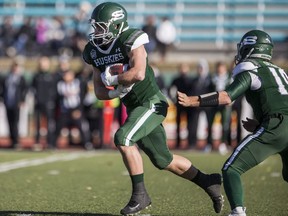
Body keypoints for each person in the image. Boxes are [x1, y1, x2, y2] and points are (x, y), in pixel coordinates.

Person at [82, 2, 223, 216]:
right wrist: (115, 92)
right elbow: (99, 91)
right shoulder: (93, 51)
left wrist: (116, 78)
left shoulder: (131, 38)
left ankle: (140, 195)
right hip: (135, 107)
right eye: (96, 27)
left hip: (152, 103)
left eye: (101, 27)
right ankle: (208, 181)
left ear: (116, 25)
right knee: (163, 160)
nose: (97, 32)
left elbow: (138, 73)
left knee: (123, 137)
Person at [178, 29, 288, 216]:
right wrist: (262, 123)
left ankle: (238, 212)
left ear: (251, 49)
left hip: (276, 126)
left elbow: (227, 97)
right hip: (278, 124)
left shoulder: (251, 69)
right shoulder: (279, 71)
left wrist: (192, 101)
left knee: (231, 169)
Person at [31, 56, 57, 150]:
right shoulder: (36, 76)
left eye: (45, 63)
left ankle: (50, 143)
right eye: (42, 63)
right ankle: (37, 142)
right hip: (38, 103)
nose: (43, 65)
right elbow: (33, 89)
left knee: (50, 124)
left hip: (49, 104)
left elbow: (54, 90)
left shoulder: (51, 76)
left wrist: (51, 101)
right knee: (37, 124)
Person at [2, 60, 27, 148]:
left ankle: (16, 141)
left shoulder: (21, 78)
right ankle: (11, 141)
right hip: (8, 102)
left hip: (16, 103)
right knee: (9, 122)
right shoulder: (7, 77)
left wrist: (22, 100)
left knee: (15, 122)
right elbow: (3, 89)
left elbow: (24, 90)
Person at [190, 59, 214, 149]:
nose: (200, 70)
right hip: (197, 106)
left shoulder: (210, 80)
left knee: (209, 124)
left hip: (208, 106)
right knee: (193, 125)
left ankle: (209, 144)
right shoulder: (194, 80)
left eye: (202, 68)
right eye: (199, 68)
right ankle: (192, 143)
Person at [169, 63, 194, 148]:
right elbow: (170, 90)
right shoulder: (176, 80)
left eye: (185, 68)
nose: (183, 70)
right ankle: (178, 143)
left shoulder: (191, 80)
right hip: (179, 104)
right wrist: (174, 100)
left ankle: (190, 143)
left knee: (190, 124)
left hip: (188, 105)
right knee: (178, 124)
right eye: (182, 68)